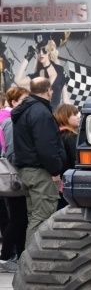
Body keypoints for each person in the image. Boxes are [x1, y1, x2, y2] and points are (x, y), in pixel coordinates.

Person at [11, 77, 65, 245]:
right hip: (41, 172)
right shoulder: (41, 112)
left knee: (34, 217)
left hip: (27, 171)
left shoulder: (24, 110)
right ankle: (33, 263)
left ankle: (31, 262)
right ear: (49, 90)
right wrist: (56, 171)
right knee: (42, 219)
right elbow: (45, 146)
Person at [0, 86, 30, 271]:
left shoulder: (12, 119)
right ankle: (5, 256)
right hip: (13, 175)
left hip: (12, 174)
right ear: (14, 102)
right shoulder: (10, 120)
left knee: (17, 217)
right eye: (23, 100)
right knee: (18, 217)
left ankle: (16, 255)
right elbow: (11, 150)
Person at [14, 37, 67, 108]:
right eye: (38, 50)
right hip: (40, 113)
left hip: (54, 115)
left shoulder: (60, 71)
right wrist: (28, 57)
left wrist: (75, 112)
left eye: (44, 50)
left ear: (49, 51)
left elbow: (66, 99)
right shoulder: (37, 75)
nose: (41, 53)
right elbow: (18, 81)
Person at [54, 104, 80, 210]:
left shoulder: (57, 135)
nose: (79, 116)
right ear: (65, 117)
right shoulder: (70, 136)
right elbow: (77, 159)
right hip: (71, 181)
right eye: (74, 114)